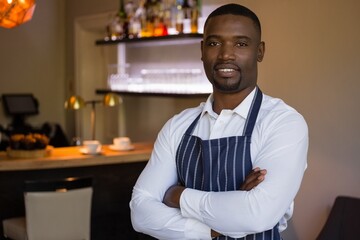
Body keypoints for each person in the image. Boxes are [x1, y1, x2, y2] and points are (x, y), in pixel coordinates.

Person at [130, 3, 308, 240]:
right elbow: (141, 213)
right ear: (202, 50)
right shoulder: (178, 126)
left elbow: (257, 214)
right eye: (214, 43)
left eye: (241, 44)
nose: (226, 54)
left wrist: (177, 196)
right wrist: (215, 227)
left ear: (260, 51)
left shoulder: (283, 123)